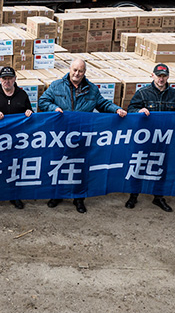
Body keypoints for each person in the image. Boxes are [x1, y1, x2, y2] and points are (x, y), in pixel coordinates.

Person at [38, 58, 127, 213]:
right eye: (75, 70)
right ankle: (57, 195)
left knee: (80, 167)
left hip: (83, 136)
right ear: (69, 69)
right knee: (59, 165)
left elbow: (103, 104)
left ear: (84, 72)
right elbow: (43, 101)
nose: (77, 74)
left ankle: (79, 198)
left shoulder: (91, 89)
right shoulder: (56, 85)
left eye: (80, 71)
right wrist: (54, 108)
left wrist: (116, 110)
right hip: (61, 136)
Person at [125, 64, 175, 212]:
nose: (161, 79)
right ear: (152, 75)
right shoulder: (142, 93)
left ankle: (158, 196)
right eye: (158, 76)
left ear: (168, 77)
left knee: (161, 166)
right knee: (139, 165)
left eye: (164, 76)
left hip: (164, 138)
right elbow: (131, 110)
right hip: (145, 137)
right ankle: (134, 195)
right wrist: (139, 110)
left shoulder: (174, 94)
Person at [0, 66, 33, 210]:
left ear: (15, 79)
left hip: (16, 140)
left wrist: (29, 112)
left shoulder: (22, 95)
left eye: (10, 78)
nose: (7, 81)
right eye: (4, 79)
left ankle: (14, 196)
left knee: (14, 168)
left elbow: (30, 112)